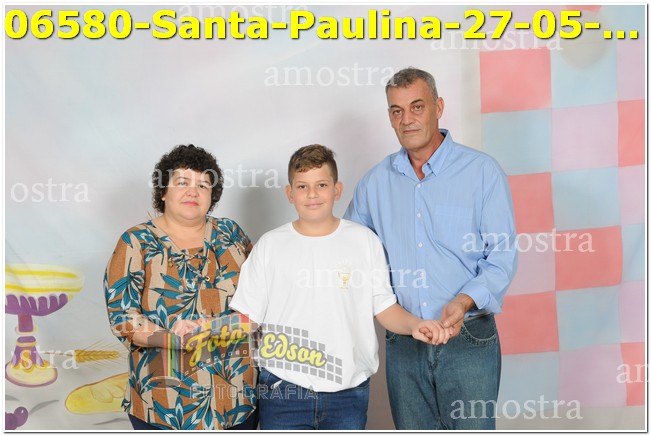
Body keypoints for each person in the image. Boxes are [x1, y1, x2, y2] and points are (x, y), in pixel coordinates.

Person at [230, 144, 452, 430]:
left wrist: (415, 324)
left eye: (321, 185)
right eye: (303, 186)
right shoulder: (270, 246)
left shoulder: (364, 241)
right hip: (284, 389)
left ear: (337, 190)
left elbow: (384, 306)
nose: (312, 194)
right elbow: (248, 317)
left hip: (347, 393)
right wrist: (202, 330)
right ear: (290, 193)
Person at [344, 67, 518, 430]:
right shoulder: (374, 184)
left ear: (438, 107)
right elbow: (350, 256)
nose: (406, 119)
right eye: (396, 111)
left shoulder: (481, 172)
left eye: (417, 106)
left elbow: (502, 255)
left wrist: (464, 300)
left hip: (468, 337)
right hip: (404, 343)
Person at [103, 144, 257, 430]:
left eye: (203, 185)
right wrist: (174, 339)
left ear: (212, 195)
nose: (193, 192)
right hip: (163, 404)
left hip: (236, 398)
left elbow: (260, 300)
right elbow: (123, 318)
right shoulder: (136, 242)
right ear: (163, 191)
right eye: (182, 182)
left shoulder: (231, 234)